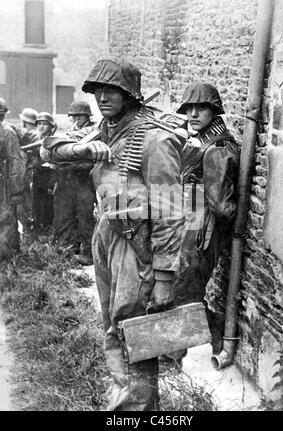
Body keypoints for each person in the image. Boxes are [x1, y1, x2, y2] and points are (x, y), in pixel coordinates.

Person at [41, 56, 183, 411]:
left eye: (112, 90)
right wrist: (84, 149)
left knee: (133, 328)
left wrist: (165, 275)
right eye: (97, 91)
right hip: (106, 233)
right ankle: (128, 399)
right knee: (113, 326)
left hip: (136, 245)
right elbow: (50, 149)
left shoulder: (153, 139)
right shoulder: (105, 130)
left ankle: (134, 410)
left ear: (131, 94)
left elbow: (171, 210)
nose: (102, 98)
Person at [173, 82, 240, 355]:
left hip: (203, 234)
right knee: (184, 290)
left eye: (201, 108)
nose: (193, 114)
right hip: (193, 228)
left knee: (184, 292)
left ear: (215, 111)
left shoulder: (217, 150)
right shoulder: (205, 143)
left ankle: (176, 355)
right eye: (189, 108)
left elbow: (223, 207)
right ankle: (215, 337)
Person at [50, 101, 96, 264]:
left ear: (87, 116)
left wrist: (76, 163)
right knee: (63, 215)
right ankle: (63, 250)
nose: (76, 119)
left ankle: (89, 253)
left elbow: (95, 160)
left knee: (86, 217)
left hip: (85, 180)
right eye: (74, 116)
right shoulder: (67, 134)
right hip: (66, 179)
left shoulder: (95, 132)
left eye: (80, 115)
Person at [0, 97, 26, 263]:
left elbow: (16, 161)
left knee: (5, 218)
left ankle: (5, 259)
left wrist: (16, 190)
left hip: (3, 182)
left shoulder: (8, 132)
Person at [14, 108, 39, 233]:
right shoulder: (34, 134)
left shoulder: (31, 134)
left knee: (26, 206)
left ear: (24, 122)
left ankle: (29, 233)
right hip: (29, 174)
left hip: (29, 174)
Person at [32, 112, 56, 231]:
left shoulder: (54, 140)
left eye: (45, 124)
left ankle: (48, 227)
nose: (41, 127)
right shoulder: (34, 139)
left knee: (48, 202)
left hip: (50, 174)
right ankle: (37, 227)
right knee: (36, 201)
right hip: (37, 174)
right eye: (39, 124)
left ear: (51, 126)